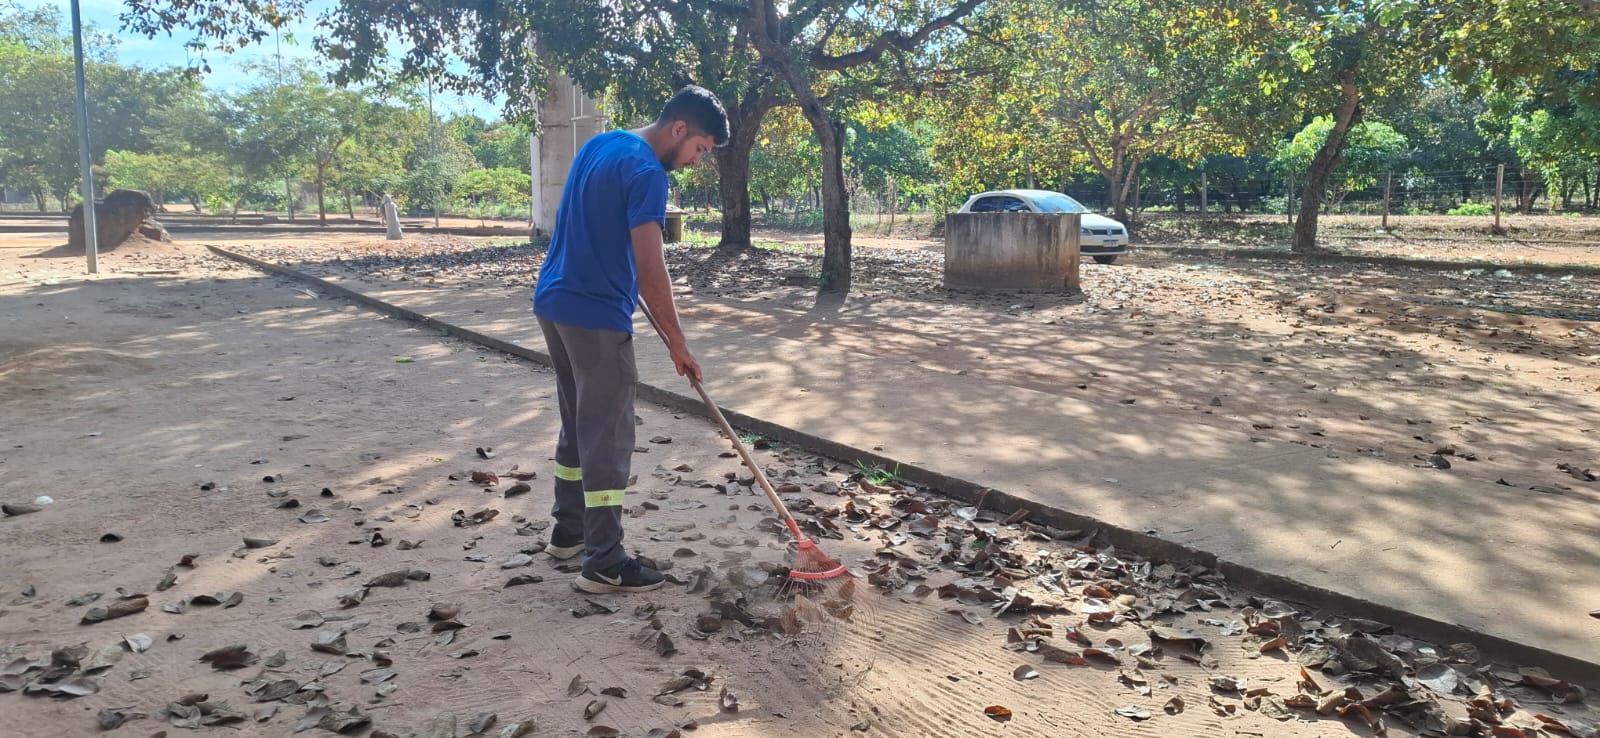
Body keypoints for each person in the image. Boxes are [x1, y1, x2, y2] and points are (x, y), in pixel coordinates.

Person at [532, 84, 729, 594]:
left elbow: (587, 223)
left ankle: (569, 533)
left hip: (554, 303)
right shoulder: (647, 172)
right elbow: (650, 267)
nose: (695, 160)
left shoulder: (601, 144)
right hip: (595, 314)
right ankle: (604, 561)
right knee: (608, 437)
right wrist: (678, 342)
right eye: (699, 149)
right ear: (679, 129)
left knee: (579, 423)